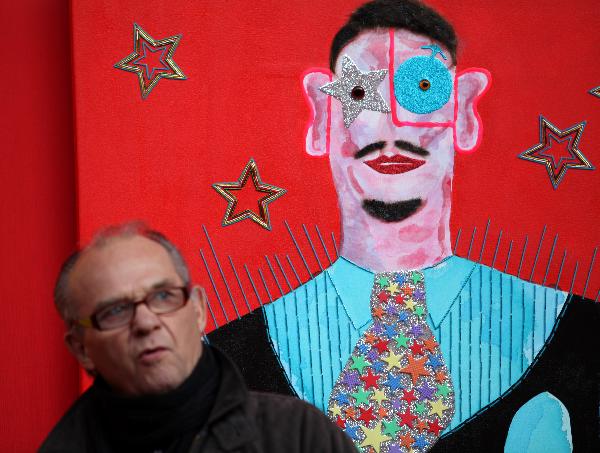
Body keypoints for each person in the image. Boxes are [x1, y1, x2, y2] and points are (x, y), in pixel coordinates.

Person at [208, 0, 600, 451]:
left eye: (423, 87)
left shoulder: (576, 332)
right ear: (321, 115)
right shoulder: (227, 356)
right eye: (360, 94)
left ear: (465, 111)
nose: (392, 127)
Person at [40, 223, 358, 453]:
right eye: (115, 311)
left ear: (198, 311)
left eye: (163, 296)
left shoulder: (300, 436)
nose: (146, 322)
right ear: (81, 349)